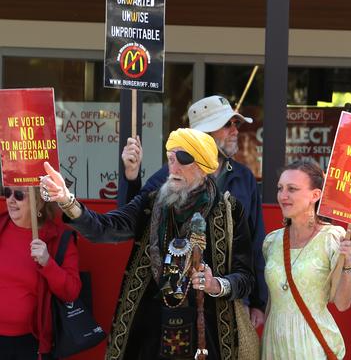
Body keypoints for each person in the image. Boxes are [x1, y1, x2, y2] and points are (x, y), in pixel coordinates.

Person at [40, 128, 255, 360]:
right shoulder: (151, 204)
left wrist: (216, 285)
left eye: (182, 160)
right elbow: (105, 228)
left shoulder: (229, 212)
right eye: (171, 159)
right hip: (150, 335)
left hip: (206, 337)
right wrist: (66, 200)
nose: (173, 168)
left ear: (203, 167)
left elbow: (245, 278)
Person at [119, 95, 268, 328]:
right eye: (227, 124)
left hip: (230, 300)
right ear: (205, 134)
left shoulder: (244, 177)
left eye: (236, 123)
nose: (235, 130)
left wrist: (259, 301)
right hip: (177, 305)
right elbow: (133, 221)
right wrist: (131, 176)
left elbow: (255, 242)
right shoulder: (169, 176)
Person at [261, 160, 351, 360]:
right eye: (280, 188)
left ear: (316, 195)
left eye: (292, 189)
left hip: (311, 344)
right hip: (274, 343)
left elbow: (342, 303)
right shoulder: (272, 241)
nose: (283, 196)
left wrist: (348, 261)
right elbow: (272, 300)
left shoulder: (332, 238)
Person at [0, 186, 81, 360]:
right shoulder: (1, 226)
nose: (11, 200)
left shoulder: (58, 238)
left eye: (19, 195)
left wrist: (47, 263)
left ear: (39, 201)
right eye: (7, 192)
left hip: (32, 343)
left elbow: (72, 292)